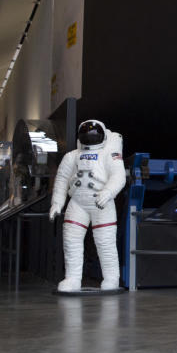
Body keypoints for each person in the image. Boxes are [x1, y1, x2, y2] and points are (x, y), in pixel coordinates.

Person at [49, 119, 126, 292]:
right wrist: (57, 202)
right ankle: (72, 279)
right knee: (71, 240)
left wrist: (108, 192)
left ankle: (111, 279)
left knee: (105, 243)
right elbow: (61, 180)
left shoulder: (110, 153)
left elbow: (118, 176)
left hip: (102, 202)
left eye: (94, 134)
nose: (90, 137)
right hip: (77, 203)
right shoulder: (72, 156)